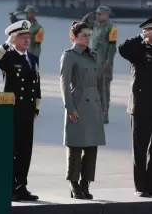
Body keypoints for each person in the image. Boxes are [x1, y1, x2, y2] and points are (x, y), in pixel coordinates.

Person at [0, 20, 41, 201]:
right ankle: (8, 186)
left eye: (28, 37)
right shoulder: (9, 57)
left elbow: (37, 86)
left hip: (27, 111)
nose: (27, 41)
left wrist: (36, 108)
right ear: (14, 39)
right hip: (12, 110)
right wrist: (6, 43)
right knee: (11, 150)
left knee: (25, 150)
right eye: (22, 37)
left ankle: (21, 186)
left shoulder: (33, 59)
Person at [118, 14, 152, 198]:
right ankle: (141, 186)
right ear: (147, 32)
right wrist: (141, 37)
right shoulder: (138, 49)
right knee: (140, 147)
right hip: (141, 107)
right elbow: (122, 49)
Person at [60, 21, 106, 199]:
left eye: (88, 35)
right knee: (76, 146)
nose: (87, 39)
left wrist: (103, 106)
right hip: (78, 102)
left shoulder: (93, 55)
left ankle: (86, 183)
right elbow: (64, 84)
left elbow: (100, 82)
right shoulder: (69, 55)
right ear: (74, 37)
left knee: (91, 147)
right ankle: (74, 184)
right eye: (83, 36)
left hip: (93, 104)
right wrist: (69, 107)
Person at [83, 5, 117, 124]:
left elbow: (113, 47)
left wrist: (109, 61)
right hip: (94, 62)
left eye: (99, 14)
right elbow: (82, 27)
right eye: (97, 14)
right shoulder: (96, 25)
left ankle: (104, 115)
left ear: (106, 15)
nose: (97, 16)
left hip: (104, 63)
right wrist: (86, 17)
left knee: (104, 90)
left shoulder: (111, 28)